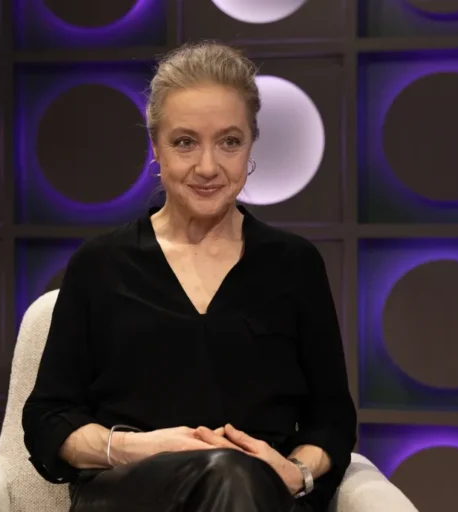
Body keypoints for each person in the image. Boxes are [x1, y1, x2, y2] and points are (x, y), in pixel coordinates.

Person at [22, 40, 357, 512]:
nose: (208, 167)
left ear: (250, 146)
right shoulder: (101, 265)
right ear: (155, 148)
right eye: (185, 142)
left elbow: (333, 420)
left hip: (261, 496)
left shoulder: (295, 265)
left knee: (236, 477)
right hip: (130, 496)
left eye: (229, 142)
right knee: (228, 472)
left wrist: (295, 471)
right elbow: (48, 418)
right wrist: (136, 448)